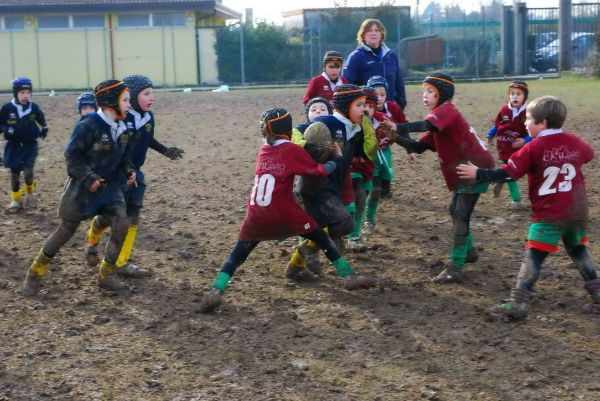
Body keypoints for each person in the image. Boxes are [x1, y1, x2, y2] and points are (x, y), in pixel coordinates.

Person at [198, 108, 376, 312]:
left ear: (265, 131)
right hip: (283, 212)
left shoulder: (263, 151)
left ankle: (216, 289)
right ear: (289, 131)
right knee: (321, 237)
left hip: (256, 213)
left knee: (238, 254)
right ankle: (349, 276)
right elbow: (318, 172)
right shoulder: (291, 150)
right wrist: (335, 158)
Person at [456, 96, 600, 321]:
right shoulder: (574, 141)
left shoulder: (534, 147)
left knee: (534, 254)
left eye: (529, 119)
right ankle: (597, 292)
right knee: (578, 249)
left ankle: (518, 302)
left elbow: (507, 173)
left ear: (542, 123)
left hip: (549, 214)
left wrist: (479, 174)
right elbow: (588, 154)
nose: (524, 123)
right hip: (578, 211)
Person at [21, 79, 136, 296]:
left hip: (109, 188)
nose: (129, 105)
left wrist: (129, 169)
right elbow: (71, 156)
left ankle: (106, 274)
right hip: (82, 190)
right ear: (111, 102)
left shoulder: (122, 125)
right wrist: (89, 177)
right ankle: (35, 271)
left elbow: (124, 154)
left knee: (122, 222)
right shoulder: (88, 125)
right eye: (126, 100)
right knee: (66, 231)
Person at [383, 73, 495, 283]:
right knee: (454, 210)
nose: (425, 96)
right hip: (466, 169)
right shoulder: (439, 120)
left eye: (430, 92)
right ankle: (469, 252)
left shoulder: (446, 111)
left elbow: (426, 126)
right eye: (424, 91)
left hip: (475, 167)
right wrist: (395, 138)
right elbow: (418, 146)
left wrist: (399, 126)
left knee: (461, 215)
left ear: (442, 95)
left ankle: (456, 266)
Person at [83, 74, 184, 278]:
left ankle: (122, 262)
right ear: (134, 95)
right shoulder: (121, 117)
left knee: (132, 217)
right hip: (116, 175)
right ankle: (92, 240)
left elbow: (147, 139)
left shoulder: (149, 117)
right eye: (147, 94)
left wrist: (165, 150)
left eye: (152, 93)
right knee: (106, 219)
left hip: (136, 175)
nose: (152, 98)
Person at [288, 84, 377, 272]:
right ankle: (308, 247)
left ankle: (295, 268)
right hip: (315, 185)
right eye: (359, 105)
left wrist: (368, 126)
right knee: (346, 223)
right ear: (346, 106)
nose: (364, 110)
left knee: (322, 230)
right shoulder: (327, 122)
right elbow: (295, 131)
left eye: (365, 105)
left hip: (331, 185)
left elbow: (369, 153)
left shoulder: (356, 129)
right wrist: (307, 146)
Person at [0, 77, 48, 212]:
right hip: (13, 146)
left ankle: (30, 192)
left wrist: (44, 128)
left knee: (28, 171)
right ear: (16, 93)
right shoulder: (7, 108)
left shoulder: (33, 107)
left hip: (30, 145)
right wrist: (5, 128)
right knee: (14, 173)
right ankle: (16, 200)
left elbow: (41, 119)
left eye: (28, 93)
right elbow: (1, 123)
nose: (25, 96)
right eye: (22, 93)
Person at [342, 19, 407, 110]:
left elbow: (399, 84)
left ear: (381, 34)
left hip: (390, 109)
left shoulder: (391, 56)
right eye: (369, 30)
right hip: (367, 110)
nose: (373, 33)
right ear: (363, 35)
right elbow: (348, 85)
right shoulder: (355, 57)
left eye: (377, 30)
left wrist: (401, 106)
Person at [486, 80, 531, 210]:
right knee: (512, 174)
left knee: (515, 172)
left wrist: (524, 140)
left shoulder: (529, 112)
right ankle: (516, 201)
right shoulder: (504, 109)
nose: (515, 96)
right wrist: (490, 134)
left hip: (521, 150)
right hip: (505, 148)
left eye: (518, 94)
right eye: (512, 93)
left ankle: (500, 179)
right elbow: (497, 125)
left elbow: (533, 132)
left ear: (525, 97)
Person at [365, 75, 408, 202]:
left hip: (385, 147)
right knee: (373, 173)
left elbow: (404, 126)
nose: (379, 98)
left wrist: (409, 148)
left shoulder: (393, 108)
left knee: (386, 172)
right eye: (375, 94)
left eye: (382, 94)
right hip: (370, 150)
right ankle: (372, 190)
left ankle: (386, 191)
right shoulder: (363, 109)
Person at [346, 86, 378, 251]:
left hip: (367, 170)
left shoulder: (375, 124)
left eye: (370, 106)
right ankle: (353, 236)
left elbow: (371, 150)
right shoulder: (348, 124)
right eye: (361, 105)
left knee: (362, 200)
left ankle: (353, 232)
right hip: (351, 169)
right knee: (356, 198)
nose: (365, 110)